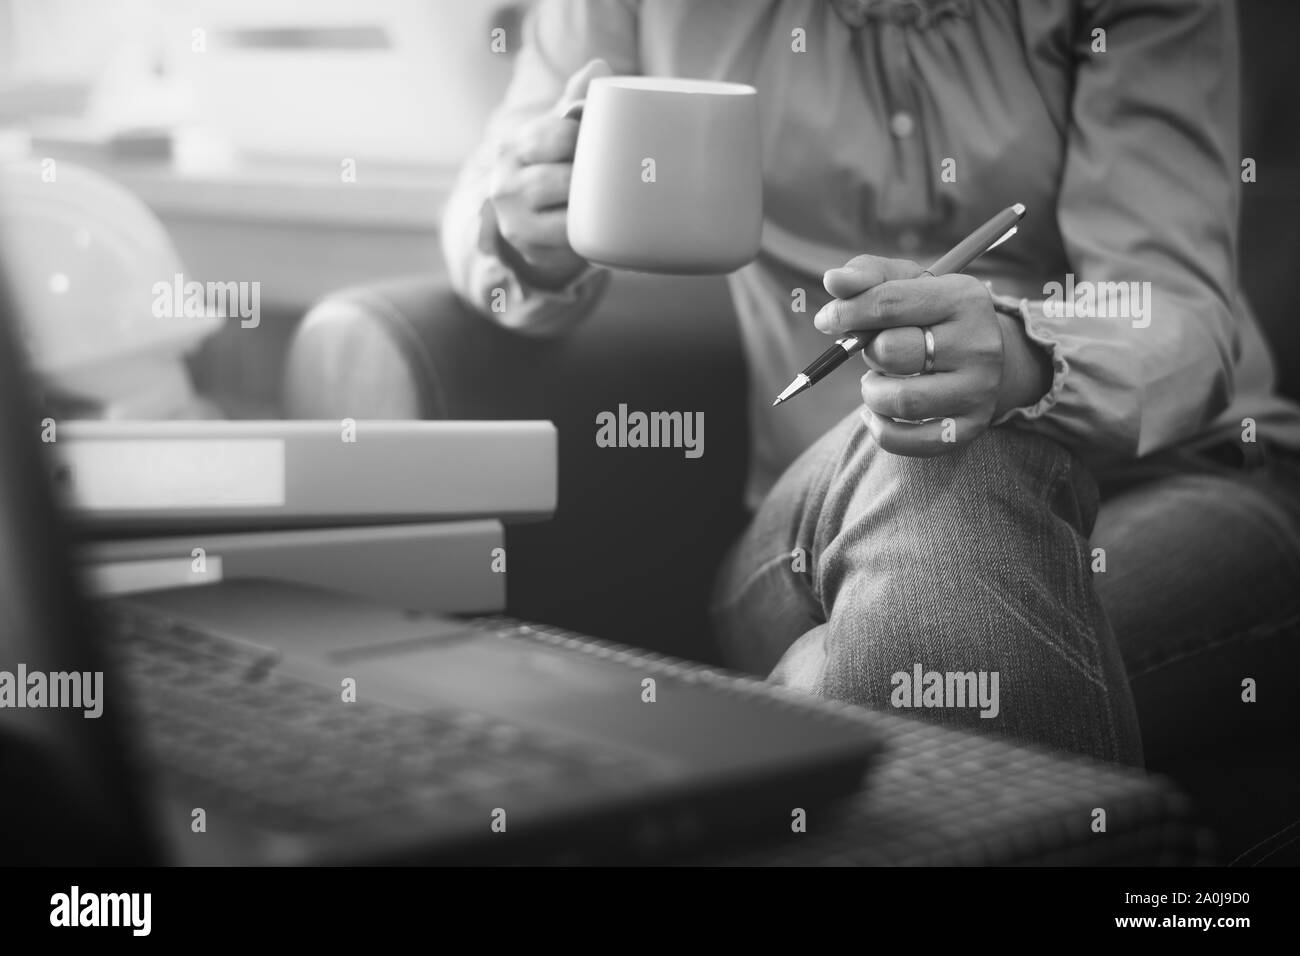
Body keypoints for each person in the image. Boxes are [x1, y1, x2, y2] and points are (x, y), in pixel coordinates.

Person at [441, 0, 1300, 765]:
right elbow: (494, 190)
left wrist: (1018, 358)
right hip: (820, 521)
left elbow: (1172, 308)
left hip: (1181, 484)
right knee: (948, 466)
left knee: (947, 494)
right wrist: (518, 223)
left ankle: (809, 702)